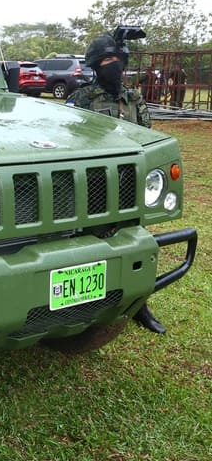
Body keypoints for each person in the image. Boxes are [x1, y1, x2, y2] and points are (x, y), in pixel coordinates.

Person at [66, 34, 164, 334]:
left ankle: (138, 305)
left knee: (135, 244)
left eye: (117, 60)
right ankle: (84, 305)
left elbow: (147, 137)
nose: (114, 65)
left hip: (129, 184)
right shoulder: (82, 99)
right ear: (96, 65)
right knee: (91, 246)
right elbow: (67, 141)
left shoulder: (134, 99)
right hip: (93, 186)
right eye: (107, 61)